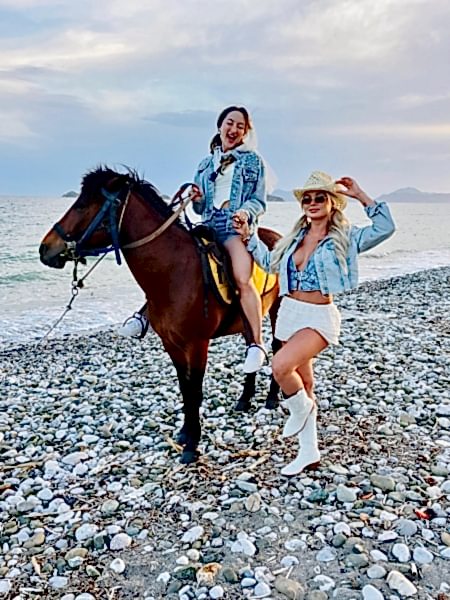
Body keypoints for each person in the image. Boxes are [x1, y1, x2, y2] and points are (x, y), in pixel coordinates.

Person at [232, 171, 396, 476]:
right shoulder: (294, 239)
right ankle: (309, 452)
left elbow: (385, 227)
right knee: (305, 384)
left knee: (281, 366)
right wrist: (248, 236)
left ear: (332, 202)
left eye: (320, 197)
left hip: (319, 317)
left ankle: (300, 410)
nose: (313, 202)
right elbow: (268, 263)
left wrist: (360, 195)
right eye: (307, 198)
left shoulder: (344, 238)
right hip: (289, 313)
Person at [118, 105, 270, 373]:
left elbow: (259, 200)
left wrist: (245, 213)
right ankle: (145, 315)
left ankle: (256, 344)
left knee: (242, 279)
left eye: (240, 126)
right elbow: (200, 209)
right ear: (220, 126)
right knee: (176, 268)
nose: (234, 129)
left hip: (235, 229)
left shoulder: (253, 161)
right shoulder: (205, 164)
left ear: (246, 132)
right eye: (230, 123)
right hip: (209, 225)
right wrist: (197, 199)